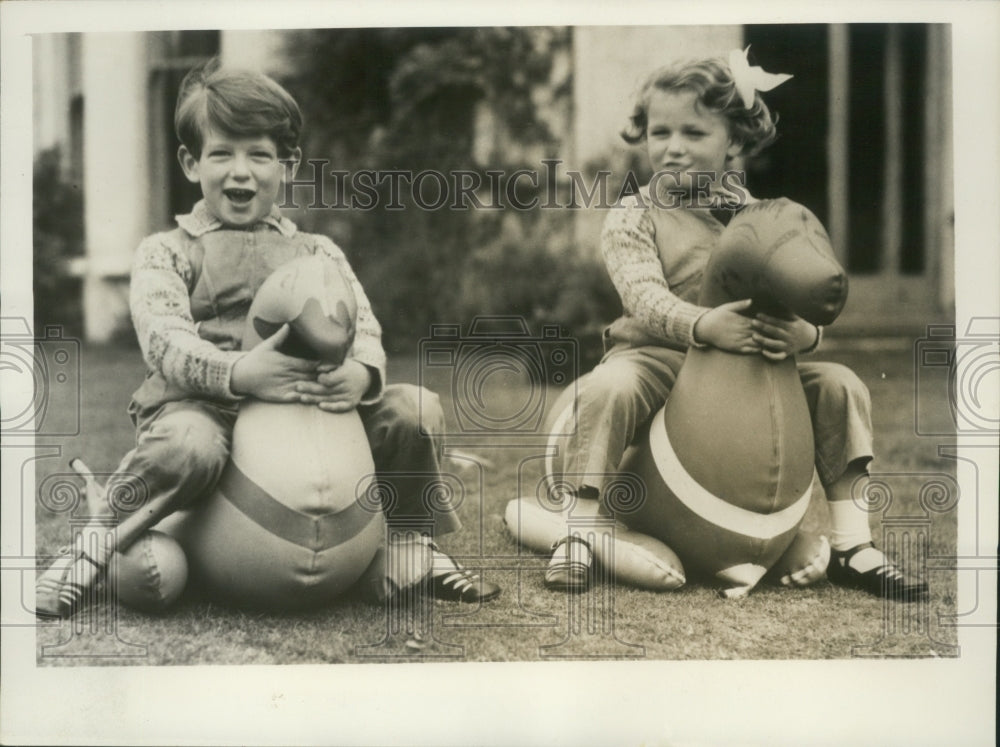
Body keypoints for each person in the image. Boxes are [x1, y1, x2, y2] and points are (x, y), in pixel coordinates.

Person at [36, 59, 499, 618]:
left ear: (287, 165)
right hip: (212, 412)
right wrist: (236, 374)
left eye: (259, 154)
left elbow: (364, 326)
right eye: (221, 153)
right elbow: (164, 340)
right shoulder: (166, 252)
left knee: (414, 410)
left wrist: (361, 372)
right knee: (187, 445)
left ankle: (412, 542)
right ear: (190, 162)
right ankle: (93, 543)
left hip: (311, 410)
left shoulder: (318, 251)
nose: (241, 172)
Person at [543, 49, 928, 601]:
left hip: (746, 368)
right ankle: (577, 530)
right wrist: (702, 326)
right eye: (660, 132)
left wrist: (806, 335)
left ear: (736, 142)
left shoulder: (760, 215)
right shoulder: (634, 215)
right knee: (610, 386)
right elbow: (644, 297)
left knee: (841, 385)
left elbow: (798, 295)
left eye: (694, 133)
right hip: (660, 359)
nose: (672, 147)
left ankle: (852, 542)